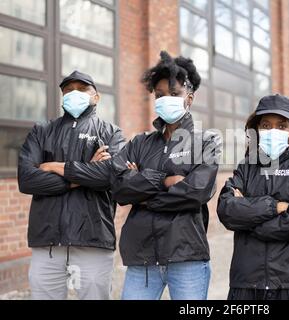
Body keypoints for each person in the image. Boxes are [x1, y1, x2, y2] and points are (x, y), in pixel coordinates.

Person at [48, 51, 221, 300]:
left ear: (190, 98)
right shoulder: (140, 142)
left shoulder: (206, 142)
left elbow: (196, 192)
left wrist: (143, 196)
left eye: (174, 94)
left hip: (187, 257)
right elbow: (118, 188)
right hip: (142, 259)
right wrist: (163, 181)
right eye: (160, 95)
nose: (166, 100)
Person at [18, 71, 126, 300]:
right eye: (68, 90)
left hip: (93, 240)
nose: (74, 93)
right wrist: (85, 173)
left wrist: (56, 166)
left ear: (96, 97)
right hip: (47, 241)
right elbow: (27, 179)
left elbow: (110, 176)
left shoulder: (111, 133)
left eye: (81, 88)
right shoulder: (42, 131)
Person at [217, 94, 289, 300]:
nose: (272, 131)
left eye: (281, 125)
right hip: (247, 284)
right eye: (266, 125)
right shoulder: (247, 165)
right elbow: (227, 210)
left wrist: (249, 221)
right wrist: (275, 207)